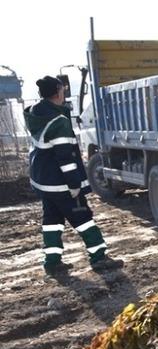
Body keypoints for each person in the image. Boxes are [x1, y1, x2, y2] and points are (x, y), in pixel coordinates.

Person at [25, 75, 123, 276]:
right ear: (58, 92)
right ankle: (99, 257)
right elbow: (65, 157)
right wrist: (74, 184)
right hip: (60, 183)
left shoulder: (36, 114)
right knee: (83, 217)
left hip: (43, 181)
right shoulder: (58, 121)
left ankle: (52, 262)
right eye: (62, 90)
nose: (64, 93)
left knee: (52, 220)